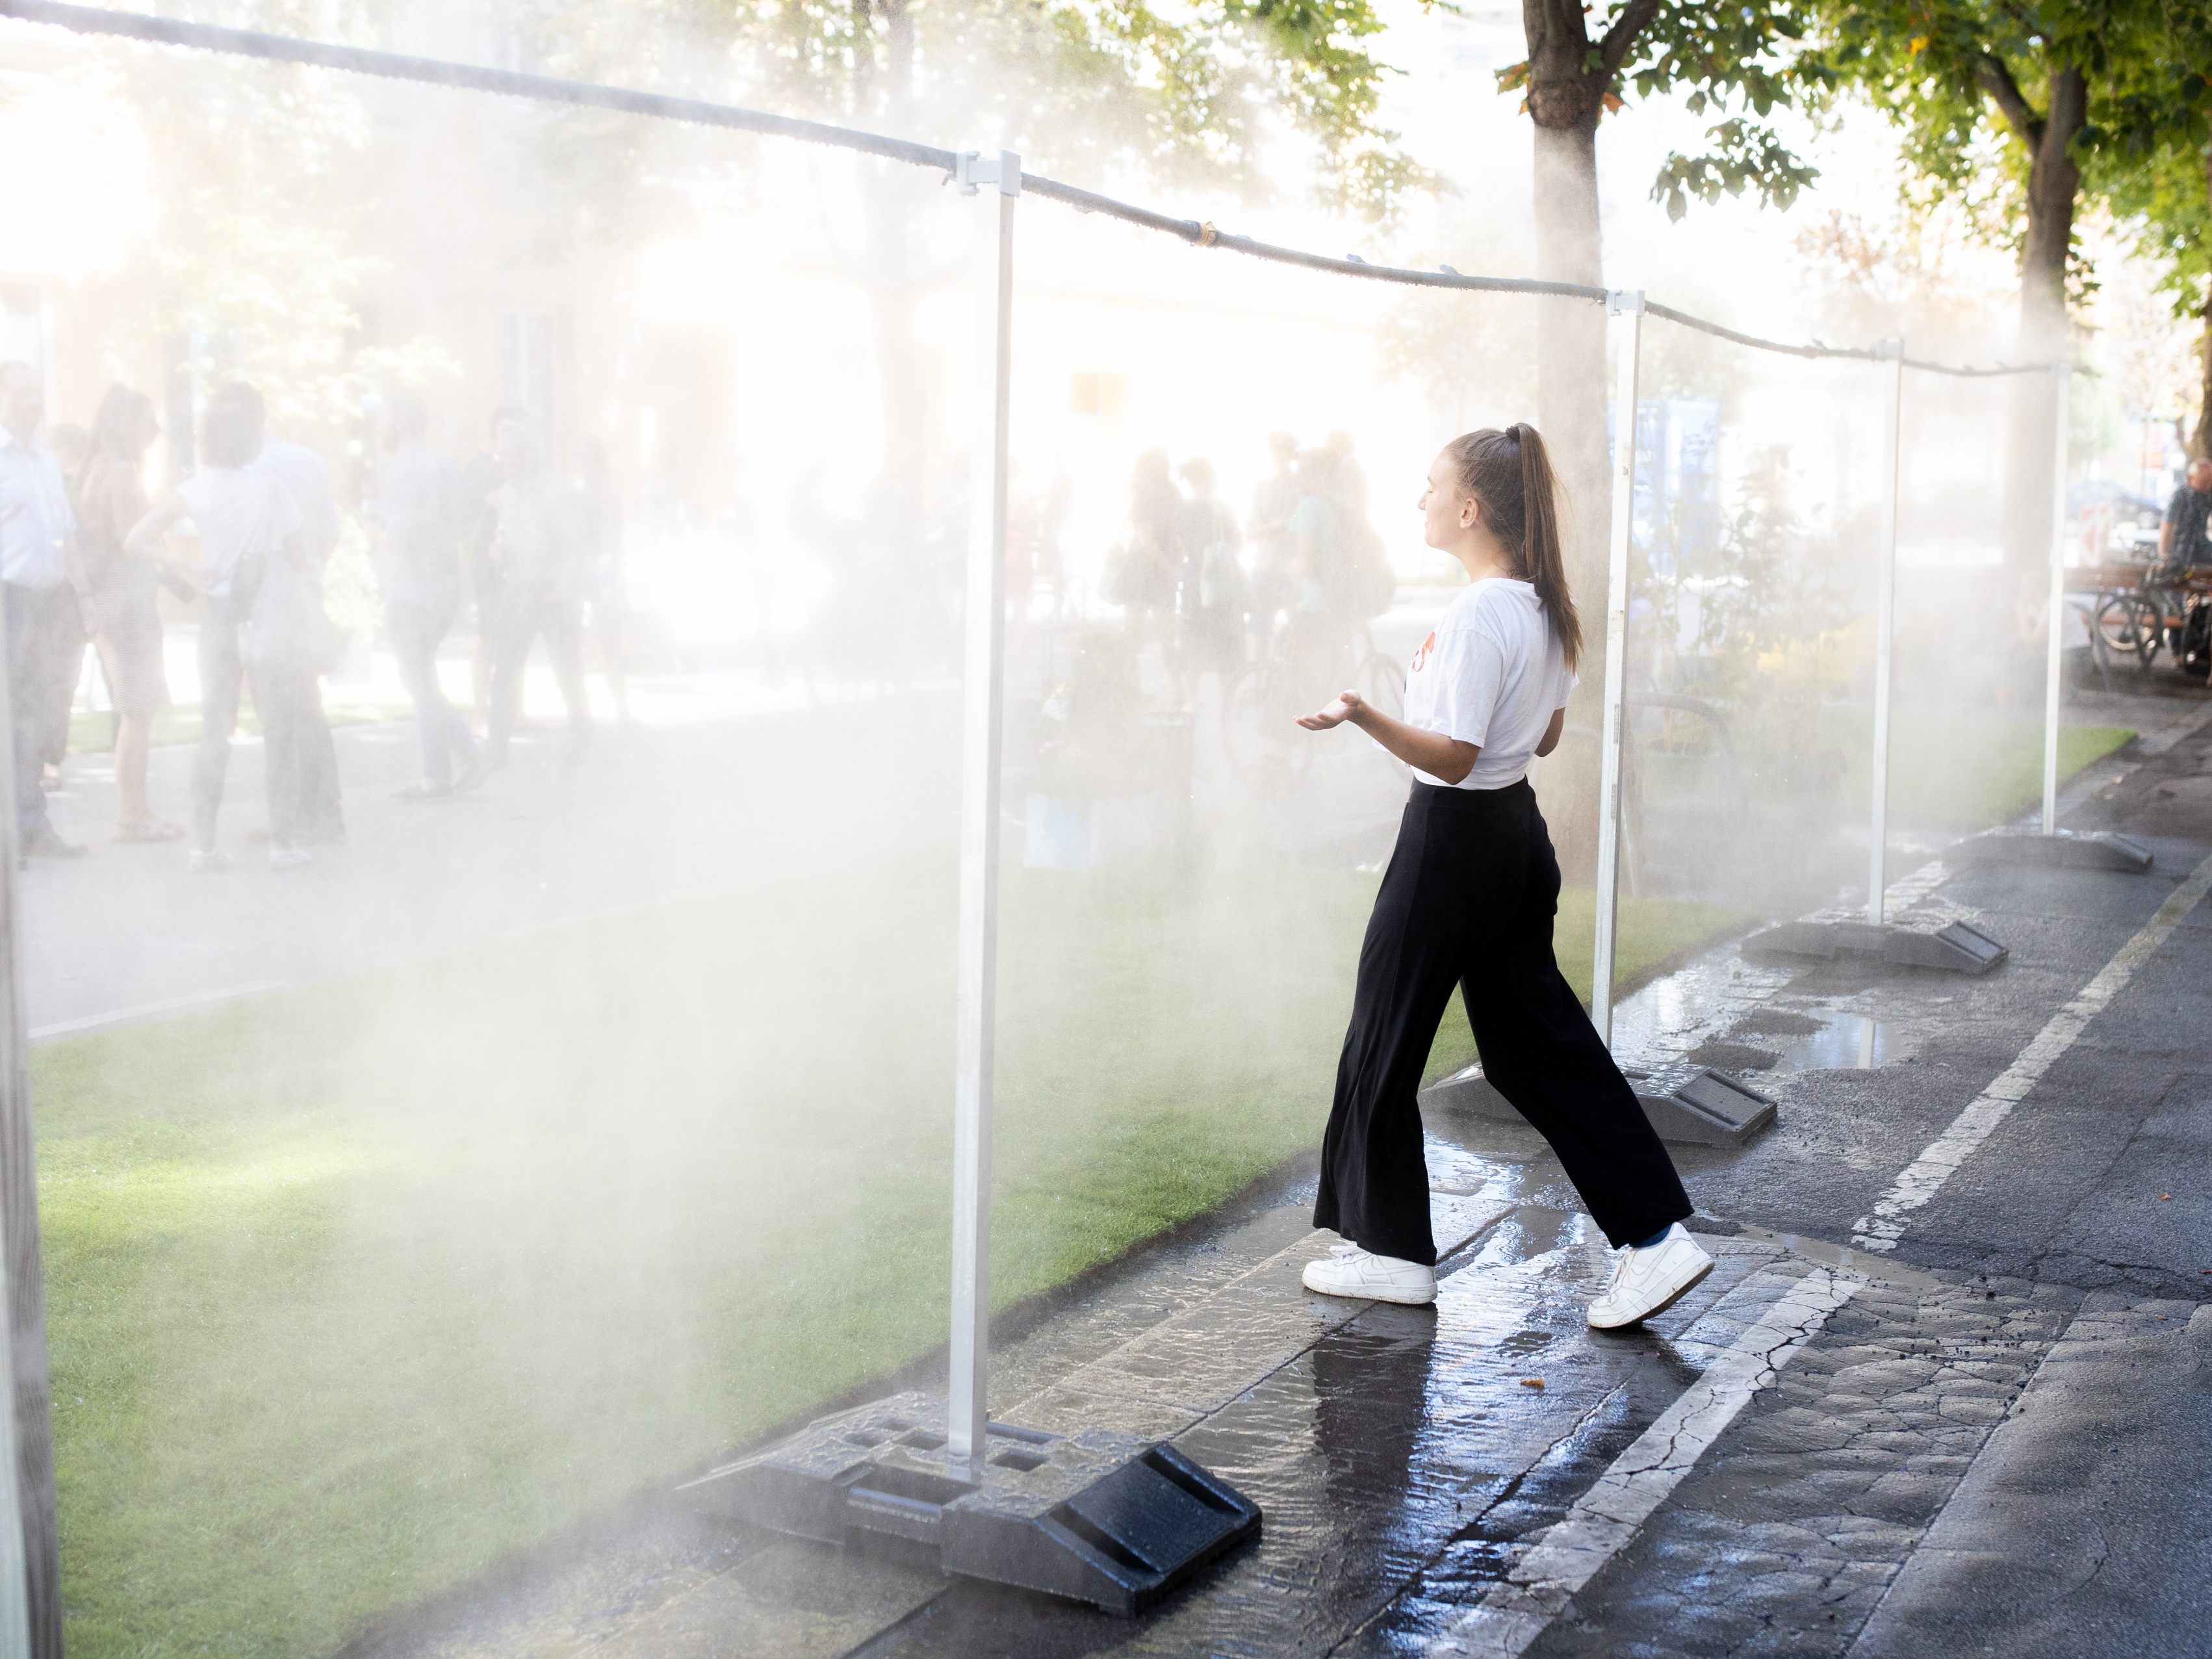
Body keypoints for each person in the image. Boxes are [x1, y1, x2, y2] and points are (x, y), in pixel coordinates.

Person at [1292, 424, 1712, 1330]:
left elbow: (1452, 756)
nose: (1422, 499)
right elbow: (1544, 734)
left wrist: (1366, 716)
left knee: (1382, 1036)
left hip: (1454, 839)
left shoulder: (1484, 612)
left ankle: (1395, 1252)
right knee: (1537, 1049)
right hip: (1513, 838)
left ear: (1472, 508)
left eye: (1432, 485)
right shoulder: (1543, 609)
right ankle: (1655, 1238)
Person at [128, 400, 318, 871]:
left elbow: (135, 540)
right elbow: (302, 561)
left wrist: (193, 569)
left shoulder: (194, 490)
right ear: (250, 439)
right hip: (266, 619)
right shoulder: (272, 491)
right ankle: (282, 844)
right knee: (280, 731)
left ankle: (203, 847)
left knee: (215, 732)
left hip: (218, 617)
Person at [216, 382, 345, 843]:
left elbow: (244, 547)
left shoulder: (247, 471)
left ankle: (288, 817)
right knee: (307, 705)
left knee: (276, 713)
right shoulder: (307, 461)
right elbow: (329, 531)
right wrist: (309, 578)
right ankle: (324, 810)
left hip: (266, 602)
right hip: (303, 595)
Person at [73, 386, 181, 840]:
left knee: (132, 712)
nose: (155, 432)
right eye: (147, 421)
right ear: (124, 424)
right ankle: (133, 816)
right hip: (128, 608)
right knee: (138, 713)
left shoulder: (93, 470)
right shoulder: (119, 474)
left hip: (109, 604)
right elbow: (134, 543)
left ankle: (135, 812)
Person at [368, 392, 483, 799]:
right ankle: (450, 766)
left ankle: (458, 763)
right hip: (443, 588)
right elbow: (465, 524)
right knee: (423, 679)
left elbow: (401, 534)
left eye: (384, 416)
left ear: (400, 420)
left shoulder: (407, 470)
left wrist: (377, 538)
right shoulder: (445, 467)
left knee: (418, 681)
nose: (379, 425)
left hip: (411, 590)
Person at [0, 363, 84, 858]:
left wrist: (86, 595)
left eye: (38, 395)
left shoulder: (45, 458)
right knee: (9, 717)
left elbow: (67, 530)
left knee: (39, 717)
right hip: (7, 602)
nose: (33, 403)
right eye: (22, 395)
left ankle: (33, 824)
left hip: (49, 603)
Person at [484, 419, 591, 766]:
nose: (505, 462)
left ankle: (581, 732)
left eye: (511, 455)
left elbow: (578, 546)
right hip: (519, 589)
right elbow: (509, 537)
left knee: (566, 668)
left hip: (552, 593)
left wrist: (561, 588)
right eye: (502, 455)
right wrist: (499, 551)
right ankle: (496, 749)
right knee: (504, 670)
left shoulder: (556, 494)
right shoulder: (509, 493)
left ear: (530, 454)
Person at [574, 437, 630, 725]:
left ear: (598, 461)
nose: (581, 464)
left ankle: (622, 709)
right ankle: (581, 711)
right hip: (578, 573)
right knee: (576, 646)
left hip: (601, 573)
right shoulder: (577, 495)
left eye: (585, 457)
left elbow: (615, 544)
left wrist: (615, 584)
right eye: (578, 458)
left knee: (609, 642)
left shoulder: (608, 497)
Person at [1175, 457, 1243, 684]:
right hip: (1219, 581)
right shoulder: (1221, 508)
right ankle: (1227, 698)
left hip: (1194, 579)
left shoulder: (1182, 509)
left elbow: (1179, 546)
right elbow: (1237, 543)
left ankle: (1193, 701)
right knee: (1225, 641)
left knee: (1193, 639)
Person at [2157, 457, 2212, 577]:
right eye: (2204, 482)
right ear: (2190, 478)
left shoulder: (2209, 494)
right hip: (2180, 553)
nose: (2208, 485)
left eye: (2210, 481)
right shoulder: (2180, 495)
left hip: (2202, 552)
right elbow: (2167, 526)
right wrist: (2164, 557)